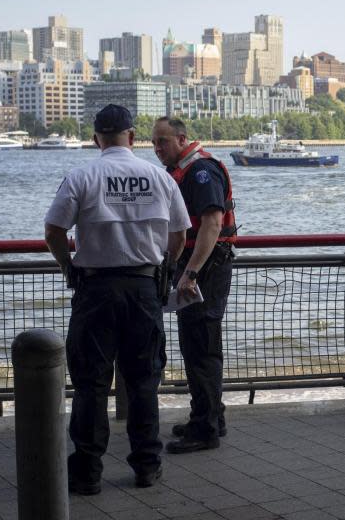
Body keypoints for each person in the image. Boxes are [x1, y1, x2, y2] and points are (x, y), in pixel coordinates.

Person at [44, 104, 190, 494]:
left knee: (91, 383)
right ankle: (146, 465)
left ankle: (87, 472)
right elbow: (179, 233)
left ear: (96, 139)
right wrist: (168, 267)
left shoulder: (82, 176)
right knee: (144, 381)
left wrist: (67, 265)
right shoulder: (159, 178)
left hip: (95, 291)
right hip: (144, 289)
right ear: (132, 136)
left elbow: (54, 229)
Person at [151, 116, 238, 454]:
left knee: (200, 346)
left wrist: (191, 273)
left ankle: (205, 430)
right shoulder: (189, 169)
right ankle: (211, 416)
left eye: (163, 142)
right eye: (154, 142)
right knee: (199, 344)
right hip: (201, 268)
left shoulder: (200, 171)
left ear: (182, 139)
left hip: (205, 270)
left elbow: (212, 224)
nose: (157, 149)